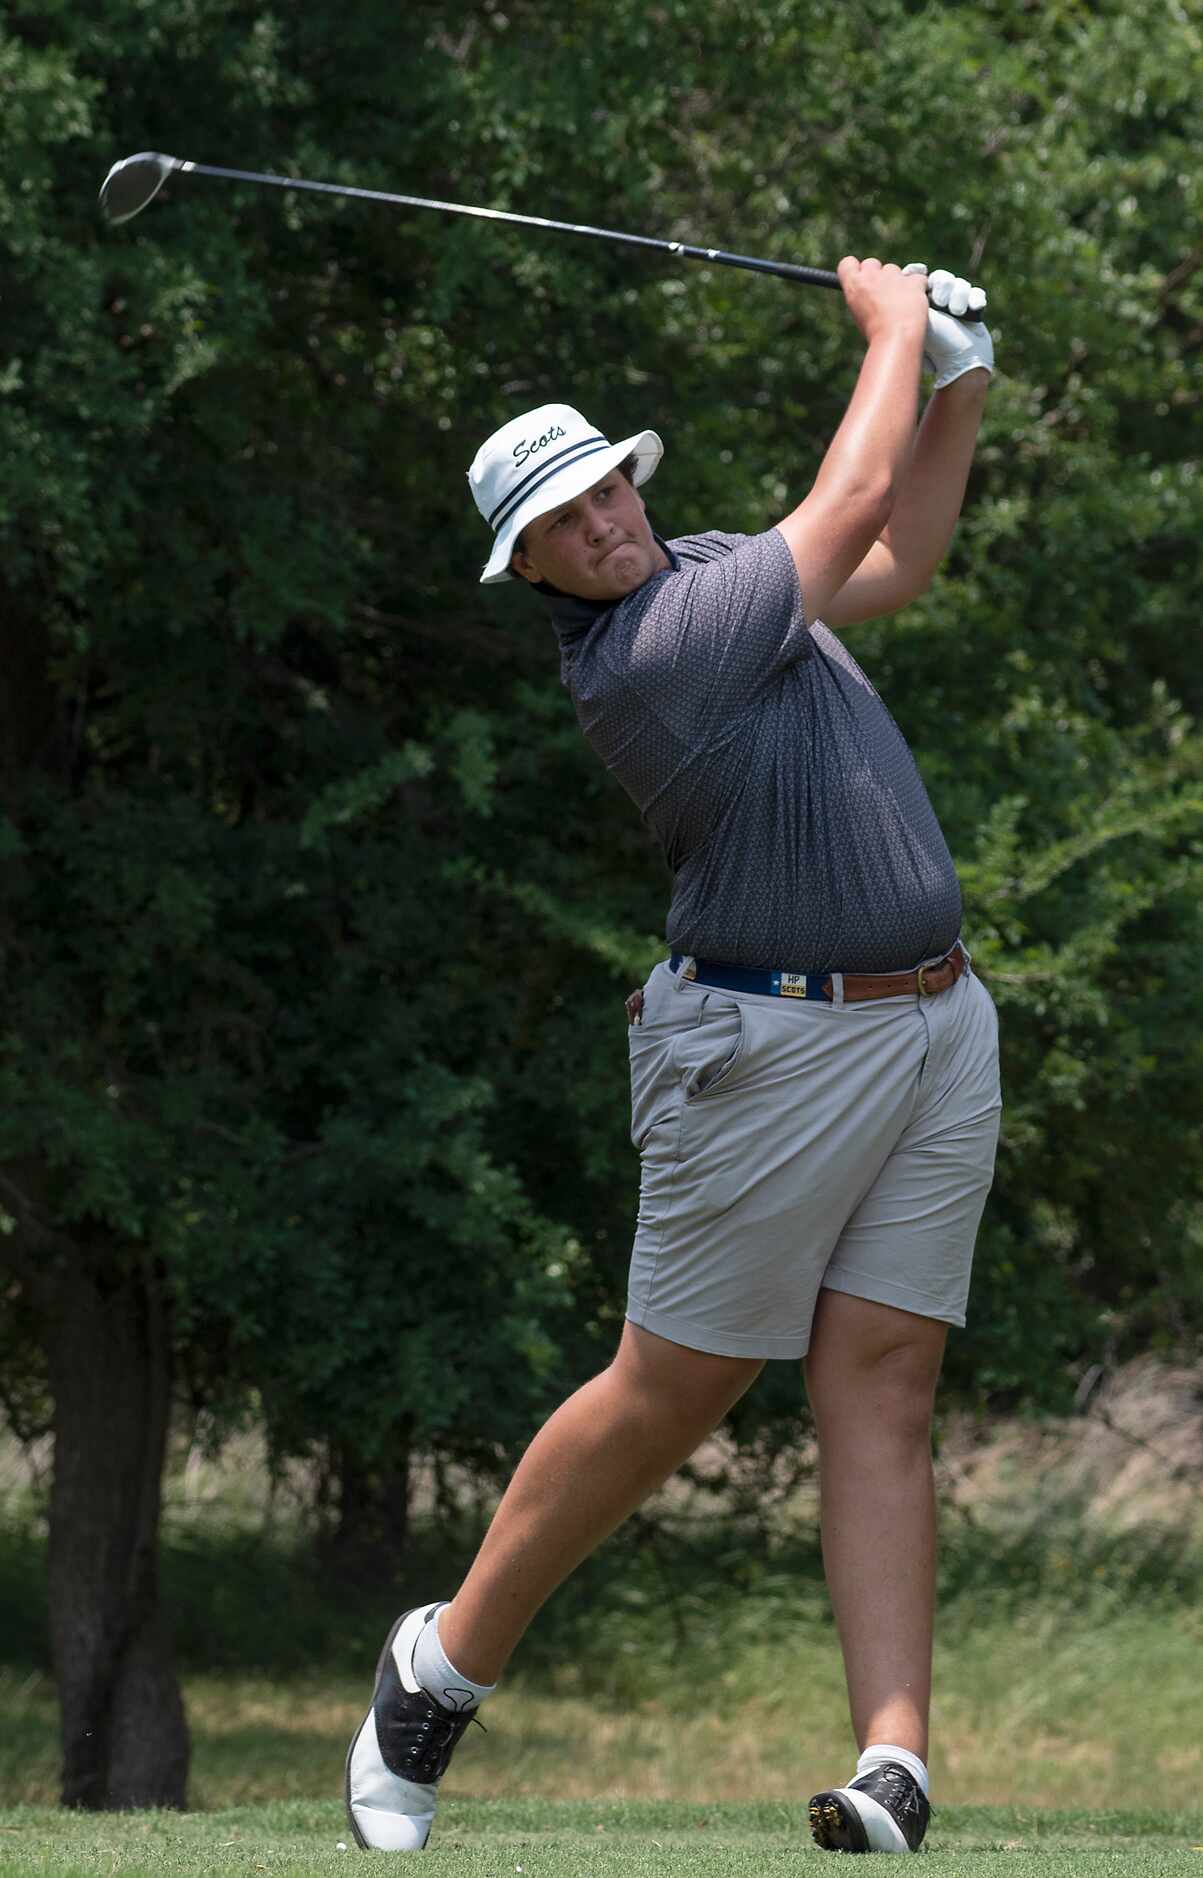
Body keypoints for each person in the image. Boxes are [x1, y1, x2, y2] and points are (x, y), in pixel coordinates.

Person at [345, 257, 1000, 1856]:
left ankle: (892, 1763)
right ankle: (439, 1665)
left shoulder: (710, 566)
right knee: (673, 1387)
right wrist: (892, 324)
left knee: (886, 1378)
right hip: (766, 1047)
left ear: (634, 480)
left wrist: (962, 381)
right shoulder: (654, 649)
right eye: (563, 524)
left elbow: (898, 551)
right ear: (538, 571)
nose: (601, 523)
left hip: (933, 1019)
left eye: (603, 490)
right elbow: (851, 496)